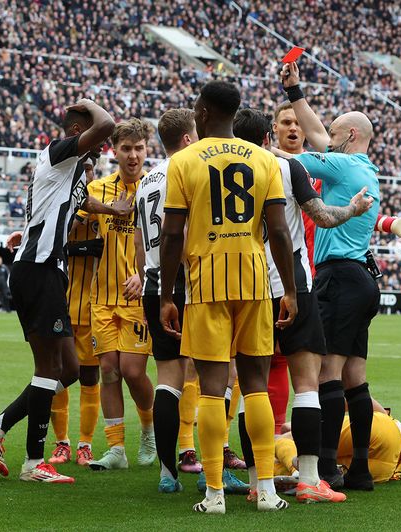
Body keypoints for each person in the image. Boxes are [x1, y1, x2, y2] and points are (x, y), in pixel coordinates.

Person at [159, 80, 297, 514]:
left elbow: (172, 234)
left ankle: (214, 493)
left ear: (202, 112)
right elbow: (279, 231)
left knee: (211, 389)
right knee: (255, 386)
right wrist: (290, 290)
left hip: (206, 284)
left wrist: (166, 295)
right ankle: (267, 491)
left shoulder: (183, 161)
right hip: (255, 282)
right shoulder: (265, 159)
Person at [0, 98, 116, 484]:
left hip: (47, 270)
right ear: (76, 133)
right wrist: (90, 103)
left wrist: (114, 210)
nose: (102, 148)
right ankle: (34, 463)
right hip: (39, 269)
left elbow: (82, 202)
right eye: (96, 143)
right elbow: (105, 125)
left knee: (69, 369)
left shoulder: (71, 171)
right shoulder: (57, 152)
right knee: (48, 368)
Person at [232, 108, 375, 503]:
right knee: (308, 383)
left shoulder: (218, 169)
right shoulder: (287, 166)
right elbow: (323, 217)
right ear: (267, 137)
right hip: (291, 281)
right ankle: (311, 479)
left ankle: (257, 483)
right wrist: (353, 210)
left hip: (245, 283)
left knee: (251, 386)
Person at [278, 61, 382, 491]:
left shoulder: (342, 166)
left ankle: (325, 467)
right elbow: (319, 135)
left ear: (351, 136)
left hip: (338, 277)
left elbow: (294, 158)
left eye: (336, 132)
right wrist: (295, 92)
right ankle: (360, 469)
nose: (325, 137)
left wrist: (248, 148)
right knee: (356, 377)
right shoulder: (362, 167)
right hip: (361, 278)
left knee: (327, 374)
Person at [132, 108, 204, 492]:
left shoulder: (146, 180)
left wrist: (149, 282)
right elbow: (186, 231)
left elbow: (140, 244)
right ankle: (213, 468)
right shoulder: (190, 170)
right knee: (217, 373)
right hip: (187, 283)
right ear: (189, 139)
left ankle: (166, 473)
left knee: (167, 380)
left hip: (153, 284)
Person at [84, 118, 157, 472]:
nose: (132, 155)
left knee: (132, 370)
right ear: (114, 151)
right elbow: (73, 213)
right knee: (109, 370)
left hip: (139, 298)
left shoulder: (156, 187)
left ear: (147, 150)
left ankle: (149, 431)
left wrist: (144, 275)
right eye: (126, 148)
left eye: (138, 148)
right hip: (102, 296)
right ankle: (116, 449)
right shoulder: (98, 190)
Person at [48, 158, 104, 468]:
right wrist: (83, 247)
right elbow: (52, 243)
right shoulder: (61, 207)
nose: (87, 175)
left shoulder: (104, 209)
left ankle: (85, 443)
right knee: (58, 372)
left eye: (91, 169)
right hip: (63, 302)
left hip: (94, 305)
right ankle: (61, 443)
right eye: (82, 169)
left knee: (90, 375)